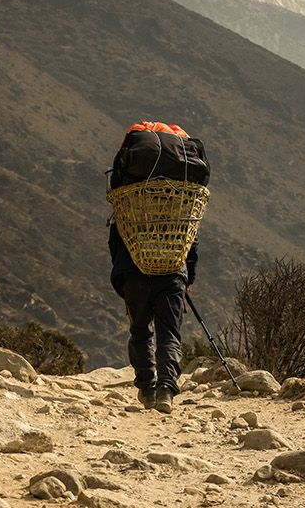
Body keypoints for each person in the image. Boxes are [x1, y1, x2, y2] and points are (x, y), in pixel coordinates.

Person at [107, 121, 203, 414]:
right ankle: (166, 391)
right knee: (169, 333)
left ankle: (146, 389)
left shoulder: (130, 207)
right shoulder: (180, 209)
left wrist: (122, 276)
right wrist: (187, 277)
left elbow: (116, 241)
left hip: (134, 273)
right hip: (173, 273)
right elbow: (191, 244)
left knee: (139, 331)